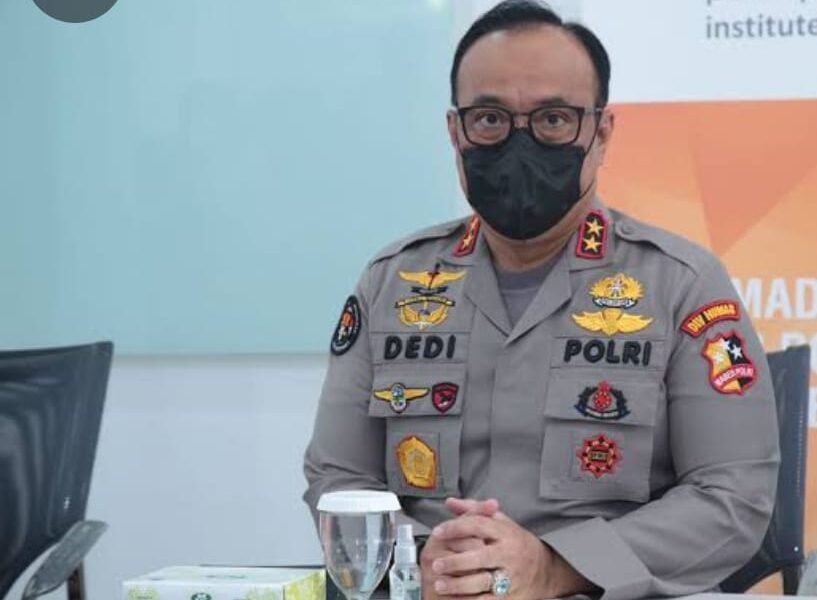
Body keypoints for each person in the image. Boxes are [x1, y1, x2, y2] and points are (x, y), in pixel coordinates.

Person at [303, 1, 780, 599]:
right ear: (455, 131)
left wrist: (556, 565)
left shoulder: (681, 284)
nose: (519, 142)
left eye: (554, 119)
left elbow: (732, 496)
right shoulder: (393, 282)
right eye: (490, 119)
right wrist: (422, 561)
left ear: (600, 133)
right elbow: (338, 475)